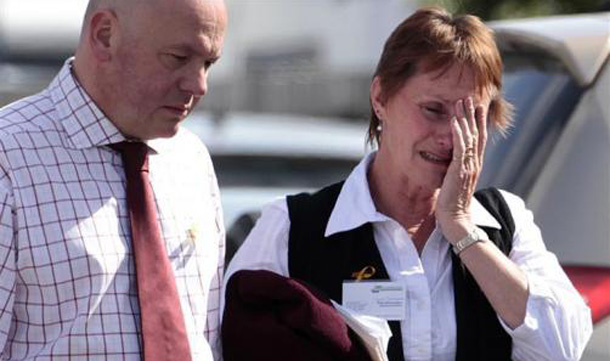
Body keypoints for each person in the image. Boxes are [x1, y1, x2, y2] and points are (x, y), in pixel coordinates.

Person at [223, 6, 592, 361]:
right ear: (380, 98)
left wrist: (462, 228)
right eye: (434, 110)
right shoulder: (293, 227)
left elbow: (563, 348)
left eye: (471, 115)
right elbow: (229, 344)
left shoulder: (504, 223)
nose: (451, 136)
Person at [0, 0, 227, 359]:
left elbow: (207, 337)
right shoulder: (8, 156)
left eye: (208, 63)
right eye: (178, 58)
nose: (199, 85)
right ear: (105, 35)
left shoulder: (192, 159)